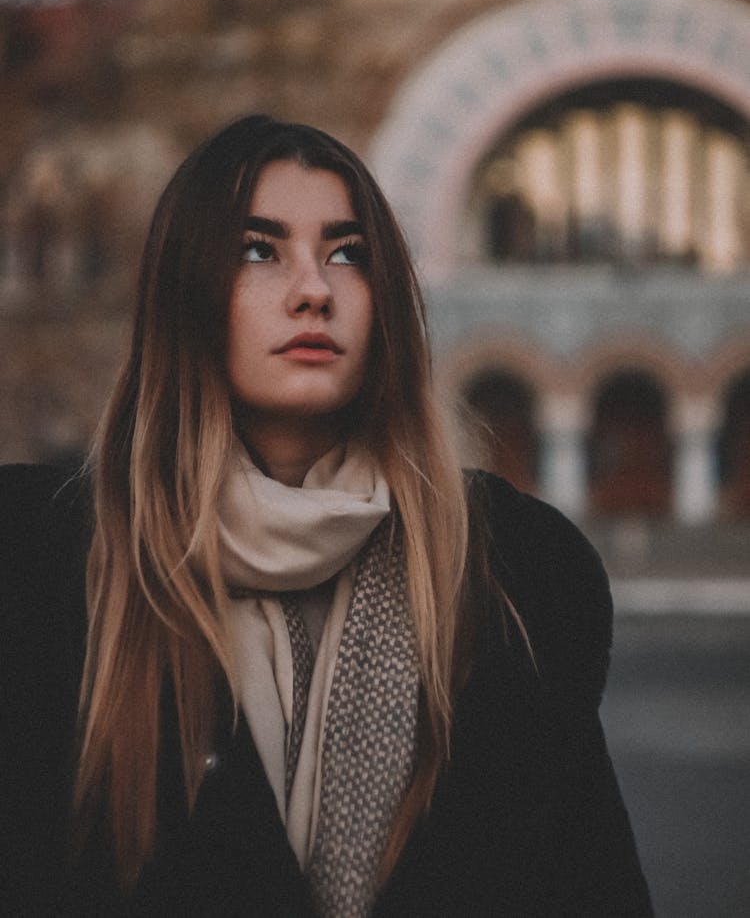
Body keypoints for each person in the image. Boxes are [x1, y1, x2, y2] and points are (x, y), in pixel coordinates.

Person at [0, 115, 653, 917]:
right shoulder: (43, 570)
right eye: (257, 249)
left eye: (349, 254)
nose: (314, 289)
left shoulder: (511, 577)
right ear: (185, 291)